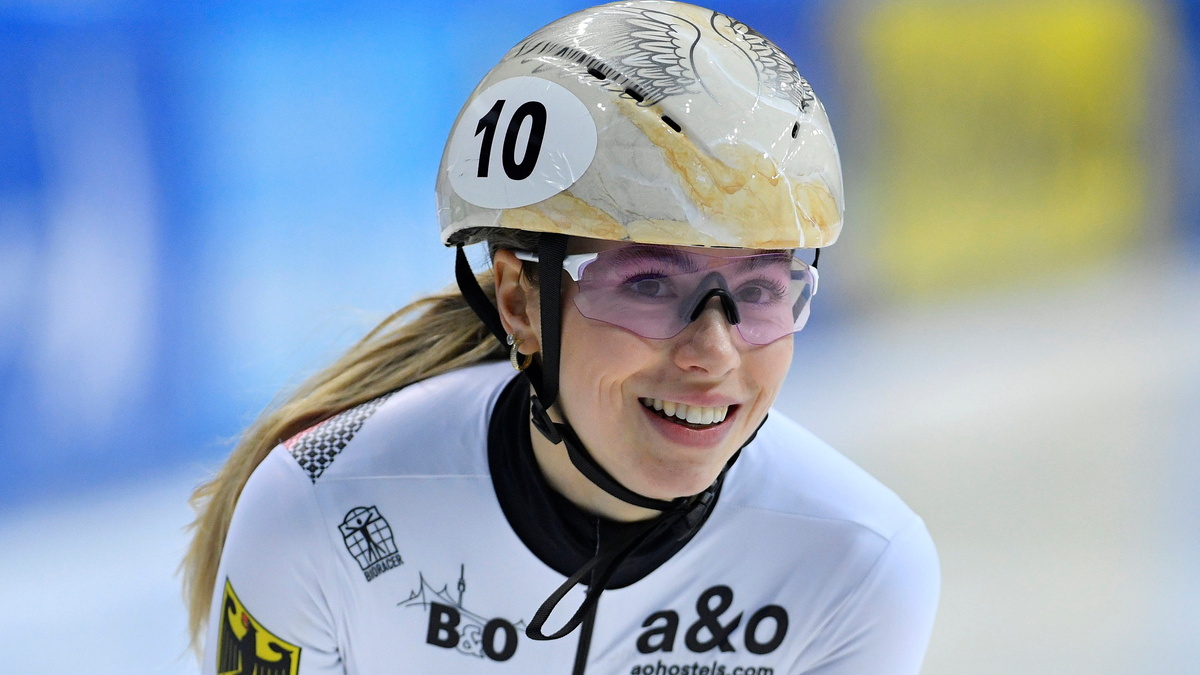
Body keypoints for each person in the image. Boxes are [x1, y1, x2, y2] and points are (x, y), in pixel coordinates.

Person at [182, 2, 940, 674]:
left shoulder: (859, 563)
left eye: (760, 291)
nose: (714, 353)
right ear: (518, 302)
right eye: (649, 285)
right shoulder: (323, 507)